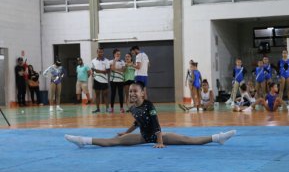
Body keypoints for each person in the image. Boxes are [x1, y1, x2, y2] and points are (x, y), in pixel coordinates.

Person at [65, 81, 236, 148]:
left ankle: (217, 137)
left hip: (157, 136)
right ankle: (83, 141)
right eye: (130, 91)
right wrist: (126, 132)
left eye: (135, 92)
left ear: (142, 93)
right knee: (113, 141)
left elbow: (156, 124)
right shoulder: (132, 107)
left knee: (188, 140)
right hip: (143, 137)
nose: (132, 94)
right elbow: (139, 122)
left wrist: (160, 142)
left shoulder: (149, 105)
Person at [91, 47, 110, 113]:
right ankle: (98, 109)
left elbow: (107, 71)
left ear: (103, 52)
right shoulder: (93, 61)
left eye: (101, 52)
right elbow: (92, 70)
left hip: (104, 80)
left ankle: (107, 108)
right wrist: (93, 73)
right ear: (97, 52)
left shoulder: (107, 61)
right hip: (96, 80)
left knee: (106, 95)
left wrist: (97, 71)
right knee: (97, 95)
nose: (100, 53)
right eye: (99, 52)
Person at [109, 49, 125, 113]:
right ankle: (112, 108)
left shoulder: (122, 62)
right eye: (117, 54)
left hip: (120, 80)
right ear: (114, 54)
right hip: (113, 80)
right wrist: (115, 61)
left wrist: (115, 69)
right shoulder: (110, 61)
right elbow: (112, 69)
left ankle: (121, 108)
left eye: (119, 54)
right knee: (113, 94)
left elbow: (123, 70)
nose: (118, 55)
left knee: (121, 94)